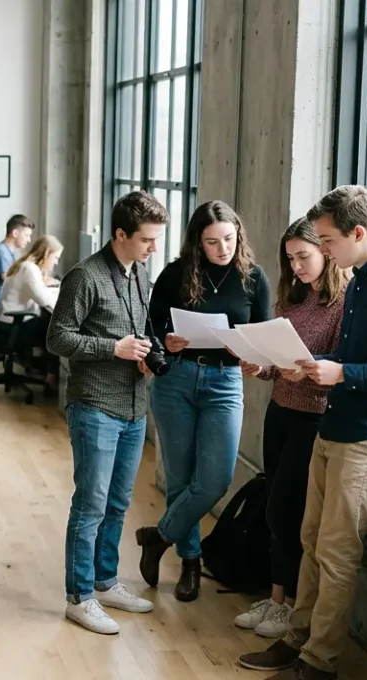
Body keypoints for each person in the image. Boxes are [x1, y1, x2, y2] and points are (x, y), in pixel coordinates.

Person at [239, 185, 367, 680]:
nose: (323, 250)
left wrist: (343, 373)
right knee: (310, 538)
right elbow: (356, 359)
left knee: (337, 550)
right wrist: (320, 368)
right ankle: (298, 637)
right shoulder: (364, 280)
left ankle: (318, 661)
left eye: (326, 240)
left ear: (359, 232)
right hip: (337, 425)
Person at [136, 200, 271, 603]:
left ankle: (157, 537)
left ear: (238, 236)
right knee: (180, 478)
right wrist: (167, 342)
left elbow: (262, 335)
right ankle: (190, 562)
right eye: (212, 242)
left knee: (214, 480)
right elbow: (149, 327)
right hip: (176, 379)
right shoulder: (176, 273)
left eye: (228, 239)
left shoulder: (253, 277)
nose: (222, 248)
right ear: (198, 242)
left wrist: (250, 353)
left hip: (225, 383)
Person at [46, 189, 166, 635]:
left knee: (118, 503)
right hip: (95, 406)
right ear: (120, 234)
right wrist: (112, 348)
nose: (154, 248)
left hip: (135, 407)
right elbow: (57, 339)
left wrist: (144, 350)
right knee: (91, 505)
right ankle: (79, 597)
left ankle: (106, 580)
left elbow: (133, 331)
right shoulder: (85, 277)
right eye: (147, 240)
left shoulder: (137, 274)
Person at [232, 217, 349, 639]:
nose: (297, 266)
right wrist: (259, 365)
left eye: (304, 256)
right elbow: (275, 362)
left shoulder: (343, 303)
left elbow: (338, 367)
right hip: (280, 411)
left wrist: (309, 374)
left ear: (326, 253)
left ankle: (291, 604)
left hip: (313, 418)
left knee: (288, 511)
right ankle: (276, 598)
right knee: (272, 507)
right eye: (291, 258)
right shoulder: (291, 299)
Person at [0, 234, 63, 390]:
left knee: (48, 324)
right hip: (14, 326)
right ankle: (50, 376)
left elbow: (42, 292)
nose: (56, 262)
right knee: (58, 331)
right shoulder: (30, 269)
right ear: (46, 254)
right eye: (55, 258)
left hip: (7, 322)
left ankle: (42, 370)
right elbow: (43, 299)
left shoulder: (25, 265)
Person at [0, 214, 35, 303]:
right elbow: (9, 281)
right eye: (26, 235)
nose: (29, 240)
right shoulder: (2, 252)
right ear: (15, 233)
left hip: (1, 300)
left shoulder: (8, 251)